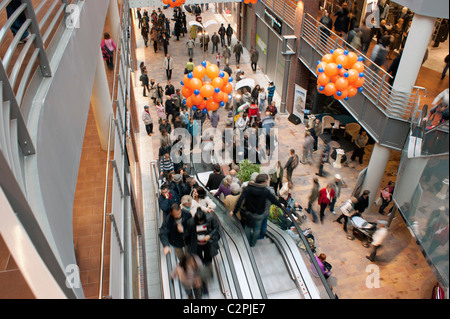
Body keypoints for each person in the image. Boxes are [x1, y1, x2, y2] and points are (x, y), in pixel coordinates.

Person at [231, 174, 284, 247]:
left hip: (248, 212)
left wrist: (234, 212)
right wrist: (281, 205)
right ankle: (252, 244)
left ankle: (247, 243)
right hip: (259, 214)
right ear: (264, 182)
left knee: (248, 227)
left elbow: (240, 200)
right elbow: (273, 200)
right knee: (257, 229)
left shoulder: (248, 188)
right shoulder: (265, 191)